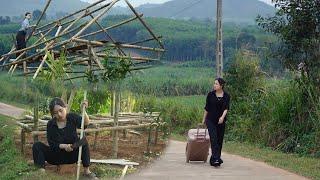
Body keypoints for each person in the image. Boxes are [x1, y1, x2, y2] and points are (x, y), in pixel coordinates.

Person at [32, 97, 97, 179]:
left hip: (73, 154)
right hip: (57, 156)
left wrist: (83, 111)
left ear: (65, 107)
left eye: (60, 110)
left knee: (83, 141)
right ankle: (41, 173)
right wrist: (64, 146)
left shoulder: (72, 117)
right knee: (37, 145)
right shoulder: (51, 124)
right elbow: (52, 144)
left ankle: (87, 171)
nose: (59, 114)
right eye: (55, 113)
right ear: (52, 114)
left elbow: (85, 124)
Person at [202, 78, 230, 167]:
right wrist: (203, 120)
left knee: (219, 140)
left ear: (221, 86)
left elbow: (226, 108)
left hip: (221, 121)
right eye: (214, 84)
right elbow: (207, 108)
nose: (214, 85)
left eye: (216, 84)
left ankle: (214, 158)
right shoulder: (210, 95)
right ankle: (216, 159)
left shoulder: (226, 96)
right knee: (214, 139)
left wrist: (222, 117)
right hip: (210, 120)